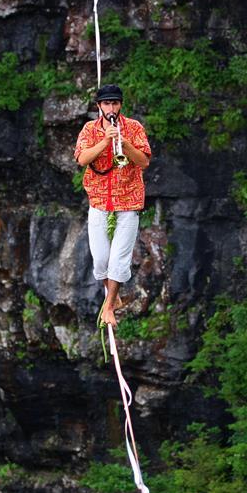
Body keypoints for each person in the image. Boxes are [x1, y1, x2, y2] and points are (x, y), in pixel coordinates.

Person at [74, 84, 151, 326]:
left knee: (119, 258)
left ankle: (108, 307)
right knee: (100, 259)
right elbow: (81, 159)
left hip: (128, 199)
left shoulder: (134, 127)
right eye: (106, 103)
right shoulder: (89, 129)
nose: (111, 108)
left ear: (121, 105)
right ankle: (114, 298)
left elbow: (144, 162)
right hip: (99, 200)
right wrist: (105, 142)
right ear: (99, 106)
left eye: (115, 103)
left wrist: (124, 143)